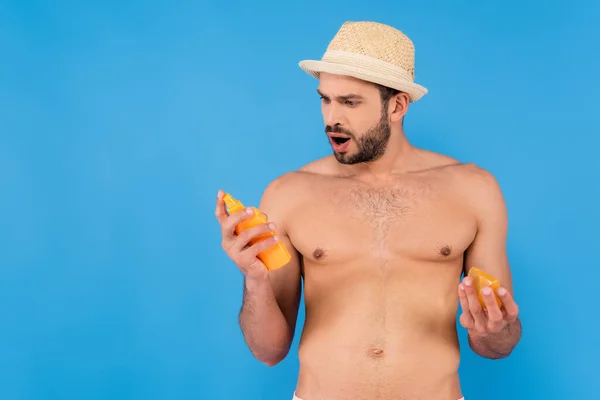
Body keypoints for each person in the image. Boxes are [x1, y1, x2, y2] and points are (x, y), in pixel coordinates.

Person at [214, 21, 522, 400]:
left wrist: (492, 329)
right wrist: (254, 280)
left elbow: (498, 346)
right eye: (325, 99)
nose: (331, 119)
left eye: (350, 102)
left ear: (397, 105)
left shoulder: (474, 190)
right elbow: (269, 351)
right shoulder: (289, 194)